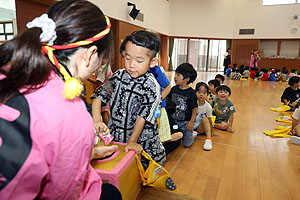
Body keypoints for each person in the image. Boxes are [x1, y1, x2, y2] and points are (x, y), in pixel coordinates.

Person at [0, 0, 122, 199]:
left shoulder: (10, 72)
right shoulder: (71, 115)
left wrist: (86, 155)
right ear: (90, 55)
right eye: (102, 60)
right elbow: (63, 191)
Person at [91, 30, 166, 165]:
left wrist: (132, 141)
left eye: (139, 60)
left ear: (153, 61)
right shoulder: (117, 76)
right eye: (127, 57)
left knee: (139, 175)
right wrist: (96, 120)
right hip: (117, 138)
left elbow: (142, 117)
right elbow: (98, 97)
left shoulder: (152, 86)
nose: (131, 64)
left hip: (140, 141)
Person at [167, 63, 198, 147]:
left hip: (185, 123)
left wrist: (191, 122)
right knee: (173, 139)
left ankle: (192, 134)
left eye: (178, 75)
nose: (175, 77)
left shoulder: (191, 93)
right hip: (173, 120)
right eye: (175, 74)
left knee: (187, 144)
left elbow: (194, 108)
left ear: (187, 79)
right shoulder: (173, 89)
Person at [149, 65, 172, 143]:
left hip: (157, 110)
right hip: (140, 111)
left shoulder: (156, 70)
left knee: (160, 138)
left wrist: (157, 101)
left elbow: (168, 86)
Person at [194, 82, 213, 150]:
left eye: (204, 93)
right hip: (190, 126)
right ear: (195, 92)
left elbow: (209, 120)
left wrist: (211, 131)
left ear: (207, 95)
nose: (201, 95)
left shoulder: (208, 107)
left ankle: (208, 139)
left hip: (199, 128)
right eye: (199, 92)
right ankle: (192, 133)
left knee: (205, 119)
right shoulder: (192, 102)